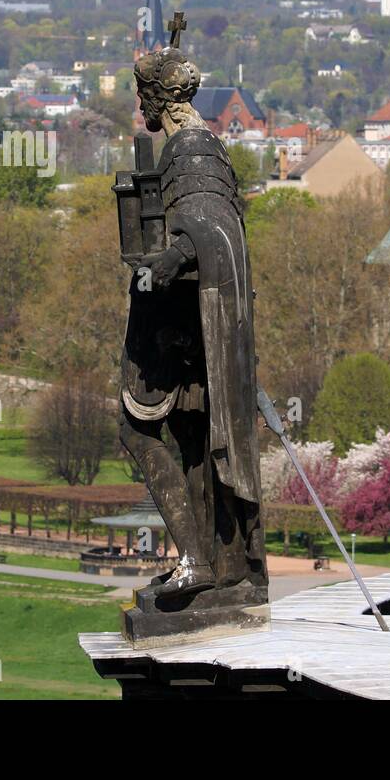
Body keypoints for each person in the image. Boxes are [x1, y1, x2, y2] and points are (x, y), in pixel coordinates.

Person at [119, 39, 267, 609]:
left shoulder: (191, 150)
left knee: (135, 433)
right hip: (192, 324)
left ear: (159, 96)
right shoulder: (201, 145)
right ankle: (214, 565)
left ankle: (196, 560)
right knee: (192, 440)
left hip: (178, 325)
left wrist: (169, 260)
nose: (139, 109)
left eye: (141, 96)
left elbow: (207, 224)